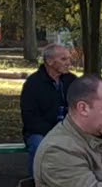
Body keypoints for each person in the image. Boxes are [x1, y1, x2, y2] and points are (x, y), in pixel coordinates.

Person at [21, 43, 77, 175]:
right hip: (40, 132)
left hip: (69, 130)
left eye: (69, 59)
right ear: (50, 61)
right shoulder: (33, 83)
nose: (68, 63)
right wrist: (55, 132)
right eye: (64, 59)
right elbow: (30, 118)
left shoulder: (72, 81)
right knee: (39, 146)